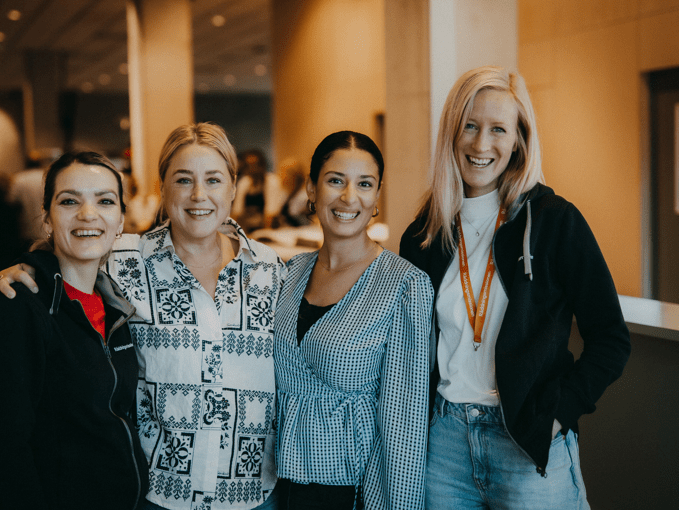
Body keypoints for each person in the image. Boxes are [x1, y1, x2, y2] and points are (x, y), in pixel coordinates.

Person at [0, 123, 285, 510]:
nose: (199, 195)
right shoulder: (126, 259)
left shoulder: (270, 268)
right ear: (162, 188)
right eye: (183, 179)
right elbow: (68, 251)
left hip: (252, 492)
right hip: (159, 493)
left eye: (213, 179)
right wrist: (8, 279)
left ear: (233, 187)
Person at [399, 66, 631, 509]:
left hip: (526, 446)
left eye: (498, 129)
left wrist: (558, 415)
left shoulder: (554, 222)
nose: (481, 144)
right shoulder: (424, 235)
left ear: (519, 141)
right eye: (469, 126)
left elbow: (611, 339)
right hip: (444, 446)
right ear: (451, 132)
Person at [0, 151, 149, 510]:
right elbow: (4, 448)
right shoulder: (21, 306)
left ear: (120, 221)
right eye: (69, 201)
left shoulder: (114, 304)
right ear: (47, 219)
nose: (88, 214)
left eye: (105, 201)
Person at [274, 131, 433, 509]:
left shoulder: (404, 286)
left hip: (353, 490)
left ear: (377, 195)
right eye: (335, 181)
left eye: (364, 184)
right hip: (281, 482)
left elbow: (404, 422)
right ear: (311, 189)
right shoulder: (289, 273)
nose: (349, 197)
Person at [231, 149, 286, 231]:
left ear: (262, 166)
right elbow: (237, 212)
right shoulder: (244, 182)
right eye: (248, 166)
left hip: (271, 228)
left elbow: (270, 213)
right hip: (248, 229)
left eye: (254, 165)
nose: (252, 169)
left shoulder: (272, 181)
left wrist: (265, 234)